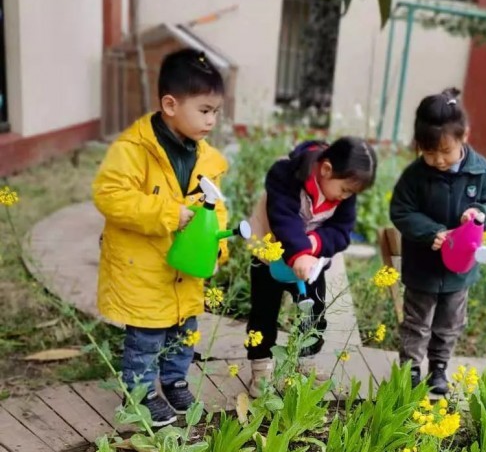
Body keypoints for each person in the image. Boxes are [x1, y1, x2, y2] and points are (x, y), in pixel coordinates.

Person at [92, 48, 229, 426]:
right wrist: (169, 213)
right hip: (144, 266)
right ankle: (139, 391)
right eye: (204, 110)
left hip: (185, 267)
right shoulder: (133, 150)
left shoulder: (206, 159)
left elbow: (216, 207)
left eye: (216, 111)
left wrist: (219, 244)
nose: (212, 120)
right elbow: (110, 196)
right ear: (170, 104)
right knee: (147, 337)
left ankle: (173, 380)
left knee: (185, 330)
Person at [389, 87, 486, 394]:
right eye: (429, 153)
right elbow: (401, 210)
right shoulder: (415, 176)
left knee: (449, 323)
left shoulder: (480, 172)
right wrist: (431, 232)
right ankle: (411, 370)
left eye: (445, 152)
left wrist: (481, 214)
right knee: (416, 322)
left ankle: (438, 369)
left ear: (464, 136)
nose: (438, 160)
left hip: (460, 268)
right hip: (423, 266)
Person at [246, 137, 377, 396]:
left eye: (351, 193)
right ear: (326, 169)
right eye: (345, 190)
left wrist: (314, 245)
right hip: (269, 254)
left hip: (312, 264)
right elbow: (283, 217)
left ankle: (305, 361)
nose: (346, 197)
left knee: (313, 312)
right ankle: (261, 368)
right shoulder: (285, 173)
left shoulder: (343, 194)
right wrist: (300, 253)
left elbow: (341, 232)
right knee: (263, 313)